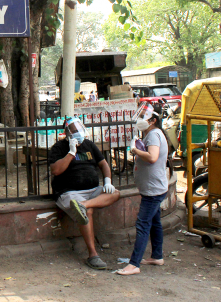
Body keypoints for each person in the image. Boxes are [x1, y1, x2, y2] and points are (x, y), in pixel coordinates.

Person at [49, 117, 121, 269]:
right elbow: (56, 170)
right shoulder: (59, 148)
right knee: (87, 212)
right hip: (69, 192)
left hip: (92, 191)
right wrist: (71, 152)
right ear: (67, 133)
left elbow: (104, 164)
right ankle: (93, 255)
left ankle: (82, 205)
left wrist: (107, 181)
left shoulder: (89, 145)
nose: (79, 133)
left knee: (115, 193)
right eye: (75, 131)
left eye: (80, 130)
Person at [117, 102, 169, 276]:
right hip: (153, 188)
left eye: (144, 117)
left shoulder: (154, 135)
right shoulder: (152, 134)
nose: (140, 120)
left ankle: (134, 264)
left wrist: (135, 151)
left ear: (153, 120)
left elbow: (152, 157)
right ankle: (157, 256)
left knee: (142, 224)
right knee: (154, 223)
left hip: (153, 190)